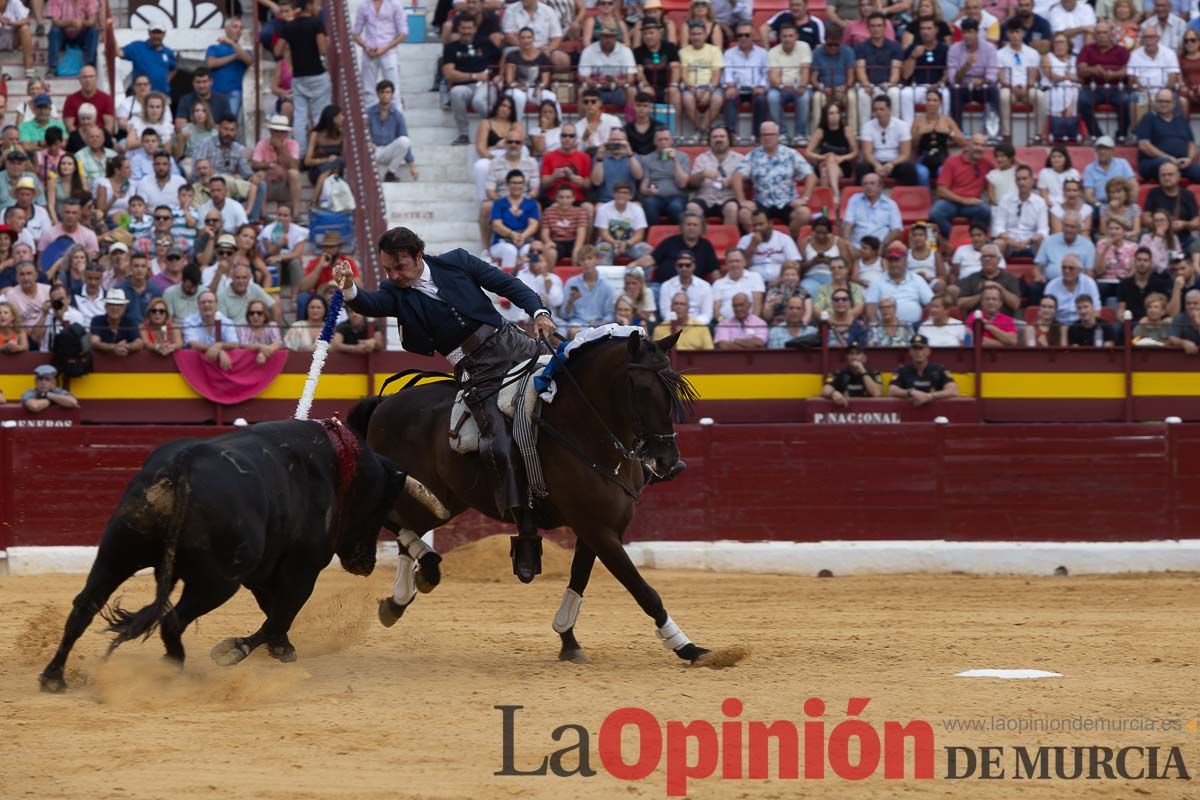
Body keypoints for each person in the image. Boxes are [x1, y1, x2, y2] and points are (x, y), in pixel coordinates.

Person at [332, 227, 554, 581]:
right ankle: (527, 534)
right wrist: (348, 287)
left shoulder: (458, 262)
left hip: (515, 346)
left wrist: (539, 311)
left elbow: (507, 285)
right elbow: (369, 303)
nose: (394, 276)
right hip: (476, 373)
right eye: (388, 269)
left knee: (574, 380)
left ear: (419, 255)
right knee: (497, 442)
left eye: (399, 267)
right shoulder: (394, 292)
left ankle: (642, 458)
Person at [733, 121, 814, 236]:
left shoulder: (790, 154)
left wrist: (805, 198)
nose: (768, 138)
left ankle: (789, 241)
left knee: (804, 213)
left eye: (771, 134)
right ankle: (759, 241)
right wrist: (742, 200)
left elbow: (810, 175)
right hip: (762, 202)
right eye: (764, 135)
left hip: (787, 202)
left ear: (778, 136)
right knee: (744, 214)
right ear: (760, 137)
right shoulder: (753, 155)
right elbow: (737, 175)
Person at [279, 0, 331, 141]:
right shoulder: (316, 23)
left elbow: (277, 50)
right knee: (318, 115)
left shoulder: (288, 26)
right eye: (316, 5)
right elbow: (323, 50)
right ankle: (317, 149)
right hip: (317, 74)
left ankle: (300, 152)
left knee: (300, 117)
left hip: (298, 77)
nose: (317, 8)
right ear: (308, 5)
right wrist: (328, 40)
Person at [930, 134, 994, 239]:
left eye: (983, 145)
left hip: (972, 205)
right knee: (935, 213)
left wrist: (1014, 159)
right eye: (976, 144)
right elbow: (941, 190)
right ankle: (958, 238)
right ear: (968, 145)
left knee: (985, 210)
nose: (979, 148)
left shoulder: (987, 164)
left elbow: (1007, 165)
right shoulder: (952, 161)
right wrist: (964, 200)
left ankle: (975, 239)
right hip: (950, 202)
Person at [1076, 20, 1130, 143]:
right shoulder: (1087, 49)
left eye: (1104, 32)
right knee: (1083, 101)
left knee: (1126, 101)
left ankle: (1121, 135)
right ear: (1094, 35)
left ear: (1111, 34)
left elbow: (1128, 70)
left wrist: (1114, 74)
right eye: (1098, 33)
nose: (1101, 35)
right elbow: (1081, 70)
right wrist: (1093, 70)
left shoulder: (1121, 51)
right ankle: (1098, 136)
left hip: (1116, 87)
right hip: (1093, 88)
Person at [631, 210, 719, 282]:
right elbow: (651, 259)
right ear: (681, 227)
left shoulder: (706, 246)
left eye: (695, 225)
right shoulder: (669, 242)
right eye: (688, 224)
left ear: (701, 228)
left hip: (694, 289)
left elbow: (714, 271)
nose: (691, 227)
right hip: (663, 285)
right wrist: (634, 264)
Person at [947, 18, 999, 132]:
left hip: (982, 87)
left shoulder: (989, 48)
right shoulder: (954, 49)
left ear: (977, 33)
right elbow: (953, 80)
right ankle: (957, 133)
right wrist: (966, 66)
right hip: (963, 87)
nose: (967, 36)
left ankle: (993, 133)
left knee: (993, 92)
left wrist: (982, 81)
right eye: (964, 32)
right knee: (955, 92)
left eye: (970, 32)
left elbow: (992, 76)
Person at [686, 126, 743, 227]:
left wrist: (731, 181)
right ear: (710, 141)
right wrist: (702, 174)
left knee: (732, 207)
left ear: (729, 139)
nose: (718, 139)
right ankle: (701, 241)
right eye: (715, 137)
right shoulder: (701, 158)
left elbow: (747, 178)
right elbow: (691, 183)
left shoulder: (739, 159)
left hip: (728, 197)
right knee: (692, 207)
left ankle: (729, 241)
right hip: (705, 197)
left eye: (722, 136)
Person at [853, 12, 904, 127]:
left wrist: (890, 84)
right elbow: (860, 69)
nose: (876, 29)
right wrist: (866, 85)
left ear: (885, 27)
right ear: (868, 28)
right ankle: (865, 131)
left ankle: (894, 129)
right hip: (869, 85)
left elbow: (896, 72)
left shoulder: (895, 46)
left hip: (888, 85)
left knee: (894, 93)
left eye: (879, 25)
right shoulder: (861, 47)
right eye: (873, 26)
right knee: (862, 94)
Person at [804, 101, 857, 209]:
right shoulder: (821, 131)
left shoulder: (846, 130)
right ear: (825, 116)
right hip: (823, 162)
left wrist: (842, 158)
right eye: (831, 113)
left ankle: (825, 207)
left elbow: (855, 152)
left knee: (825, 172)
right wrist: (823, 157)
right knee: (829, 160)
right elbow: (807, 152)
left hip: (842, 167)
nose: (834, 116)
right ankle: (836, 195)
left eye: (837, 113)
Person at [856, 94, 918, 184]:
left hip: (895, 163)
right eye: (876, 110)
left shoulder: (902, 125)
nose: (878, 112)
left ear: (889, 110)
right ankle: (858, 196)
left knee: (908, 168)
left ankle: (908, 196)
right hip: (875, 163)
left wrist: (892, 164)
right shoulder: (867, 126)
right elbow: (867, 153)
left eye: (881, 109)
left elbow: (906, 154)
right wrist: (876, 164)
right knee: (861, 167)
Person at [767, 24, 812, 144]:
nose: (787, 39)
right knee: (772, 97)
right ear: (780, 38)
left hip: (799, 85)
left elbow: (805, 70)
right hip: (781, 87)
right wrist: (782, 86)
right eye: (784, 36)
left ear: (796, 36)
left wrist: (802, 86)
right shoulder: (773, 51)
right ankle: (782, 133)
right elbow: (774, 77)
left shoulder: (804, 46)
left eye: (790, 36)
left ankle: (800, 134)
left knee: (804, 97)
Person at [680, 19, 726, 136]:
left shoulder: (715, 50)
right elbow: (684, 75)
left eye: (699, 34)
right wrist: (692, 89)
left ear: (705, 35)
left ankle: (701, 130)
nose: (696, 37)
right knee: (687, 99)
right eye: (693, 34)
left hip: (711, 86)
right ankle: (701, 129)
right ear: (689, 36)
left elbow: (716, 75)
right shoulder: (683, 52)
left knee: (717, 99)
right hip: (691, 86)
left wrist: (709, 92)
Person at [353, 0, 406, 99]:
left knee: (393, 90)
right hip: (370, 52)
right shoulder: (364, 5)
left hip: (389, 52)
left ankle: (395, 113)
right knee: (368, 90)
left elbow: (403, 33)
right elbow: (356, 33)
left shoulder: (395, 4)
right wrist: (366, 46)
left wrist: (386, 48)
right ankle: (370, 114)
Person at [992, 164, 1048, 257]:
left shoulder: (1040, 202)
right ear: (1015, 182)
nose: (1021, 182)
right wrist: (1010, 241)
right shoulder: (1006, 200)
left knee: (1044, 244)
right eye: (1019, 179)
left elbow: (1043, 230)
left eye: (1024, 179)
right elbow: (998, 227)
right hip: (1009, 242)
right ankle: (1000, 271)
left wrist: (1029, 241)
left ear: (1032, 181)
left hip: (1031, 243)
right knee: (998, 244)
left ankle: (1039, 271)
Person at [888, 334, 960, 404]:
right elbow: (892, 390)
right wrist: (911, 392)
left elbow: (953, 390)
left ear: (928, 351)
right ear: (910, 352)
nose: (918, 352)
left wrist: (930, 396)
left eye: (921, 348)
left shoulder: (939, 369)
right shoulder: (902, 370)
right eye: (915, 348)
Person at [637, 128, 689, 225]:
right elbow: (643, 186)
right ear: (654, 142)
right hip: (656, 197)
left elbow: (682, 184)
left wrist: (675, 160)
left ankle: (678, 238)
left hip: (677, 196)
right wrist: (647, 191)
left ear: (671, 141)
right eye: (660, 140)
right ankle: (652, 237)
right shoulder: (647, 159)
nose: (663, 142)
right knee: (649, 204)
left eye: (666, 139)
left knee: (676, 206)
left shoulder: (682, 157)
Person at [490, 169, 541, 268]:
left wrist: (522, 236)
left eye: (520, 183)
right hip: (502, 242)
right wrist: (512, 234)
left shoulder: (531, 204)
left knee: (528, 250)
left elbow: (533, 225)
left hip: (525, 240)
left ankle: (524, 282)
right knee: (510, 250)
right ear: (507, 184)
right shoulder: (499, 203)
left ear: (524, 184)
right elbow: (496, 225)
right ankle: (508, 282)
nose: (517, 186)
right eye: (514, 182)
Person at [952, 243, 1022, 313]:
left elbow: (1016, 305)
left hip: (1003, 321)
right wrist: (982, 295)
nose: (987, 259)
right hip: (977, 321)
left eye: (991, 256)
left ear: (999, 259)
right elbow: (961, 304)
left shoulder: (1009, 278)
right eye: (984, 257)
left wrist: (1000, 288)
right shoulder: (972, 278)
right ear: (980, 260)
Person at [842, 171, 902, 252]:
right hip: (857, 246)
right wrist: (846, 240)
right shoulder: (855, 199)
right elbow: (848, 222)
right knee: (842, 244)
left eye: (872, 183)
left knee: (898, 245)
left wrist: (883, 245)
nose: (868, 186)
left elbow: (896, 229)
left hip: (881, 246)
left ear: (880, 186)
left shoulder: (890, 204)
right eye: (865, 184)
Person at [579, 23, 637, 107]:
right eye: (605, 37)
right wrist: (596, 83)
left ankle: (630, 119)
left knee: (632, 91)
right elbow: (583, 77)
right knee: (581, 91)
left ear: (616, 37)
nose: (608, 40)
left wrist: (616, 82)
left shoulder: (625, 51)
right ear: (600, 37)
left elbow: (631, 78)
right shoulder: (589, 51)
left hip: (618, 89)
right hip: (596, 89)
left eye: (611, 37)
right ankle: (585, 120)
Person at [738, 208, 802, 284]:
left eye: (761, 224)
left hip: (781, 282)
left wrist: (780, 279)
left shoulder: (784, 239)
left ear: (770, 223)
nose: (757, 228)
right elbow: (740, 265)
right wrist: (753, 244)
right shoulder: (745, 240)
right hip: (753, 283)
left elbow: (795, 264)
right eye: (754, 225)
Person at [205, 17, 253, 117]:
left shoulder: (245, 50)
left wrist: (232, 43)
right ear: (226, 29)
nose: (238, 30)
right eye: (235, 27)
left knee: (230, 123)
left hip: (234, 93)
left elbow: (249, 61)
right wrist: (234, 56)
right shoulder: (214, 48)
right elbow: (211, 63)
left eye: (241, 28)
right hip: (215, 92)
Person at [113, 23, 176, 95]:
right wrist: (110, 32)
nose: (156, 36)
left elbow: (173, 68)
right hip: (142, 96)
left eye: (159, 33)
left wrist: (166, 80)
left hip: (162, 96)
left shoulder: (168, 52)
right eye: (153, 32)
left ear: (164, 34)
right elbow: (117, 52)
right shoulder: (137, 47)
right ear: (149, 33)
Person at [657, 248, 713, 324]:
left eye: (688, 265)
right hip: (673, 325)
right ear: (676, 267)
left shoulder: (705, 286)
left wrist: (692, 324)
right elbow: (665, 313)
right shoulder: (666, 286)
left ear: (694, 266)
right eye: (680, 265)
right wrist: (679, 322)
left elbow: (707, 314)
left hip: (698, 326)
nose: (684, 268)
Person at [1116, 245, 1172, 320]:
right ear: (1134, 261)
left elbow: (1165, 309)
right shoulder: (1124, 284)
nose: (1142, 263)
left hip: (1154, 323)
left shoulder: (1160, 283)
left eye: (1145, 260)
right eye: (1139, 260)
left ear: (1150, 263)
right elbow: (1121, 309)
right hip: (1132, 323)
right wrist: (1122, 317)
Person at [46, 0, 100, 77]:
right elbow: (55, 21)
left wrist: (82, 22)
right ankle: (52, 67)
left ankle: (90, 64)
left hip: (82, 34)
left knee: (93, 31)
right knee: (55, 31)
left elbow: (93, 21)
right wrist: (70, 23)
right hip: (63, 34)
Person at [1043, 254, 1100, 323]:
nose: (1066, 271)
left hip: (1082, 325)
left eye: (1071, 268)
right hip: (1059, 325)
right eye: (1064, 267)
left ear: (1080, 270)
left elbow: (1096, 310)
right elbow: (1046, 311)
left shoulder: (1089, 283)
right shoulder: (1052, 285)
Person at [1083, 136, 1137, 207]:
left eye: (1105, 148)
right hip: (1100, 204)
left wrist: (1128, 203)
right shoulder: (1089, 168)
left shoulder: (1123, 163)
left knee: (1134, 209)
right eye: (1099, 148)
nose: (1102, 151)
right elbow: (1088, 195)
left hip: (1122, 203)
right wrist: (1100, 205)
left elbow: (1134, 186)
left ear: (1112, 151)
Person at [711, 247, 764, 320]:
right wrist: (725, 324)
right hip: (725, 326)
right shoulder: (718, 284)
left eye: (737, 261)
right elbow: (716, 311)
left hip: (750, 324)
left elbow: (757, 305)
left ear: (744, 262)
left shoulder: (755, 277)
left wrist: (751, 324)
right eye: (731, 261)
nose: (734, 264)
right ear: (726, 264)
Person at [88, 286, 142, 356]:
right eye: (111, 304)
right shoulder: (97, 320)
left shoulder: (130, 321)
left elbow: (139, 343)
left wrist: (126, 346)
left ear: (124, 307)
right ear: (105, 306)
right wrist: (113, 347)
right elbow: (94, 342)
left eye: (118, 305)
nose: (115, 308)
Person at [1167, 288, 1200, 352]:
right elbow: (1172, 337)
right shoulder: (1179, 318)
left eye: (1195, 303)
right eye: (1188, 303)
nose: (1191, 306)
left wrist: (1198, 323)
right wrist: (1183, 342)